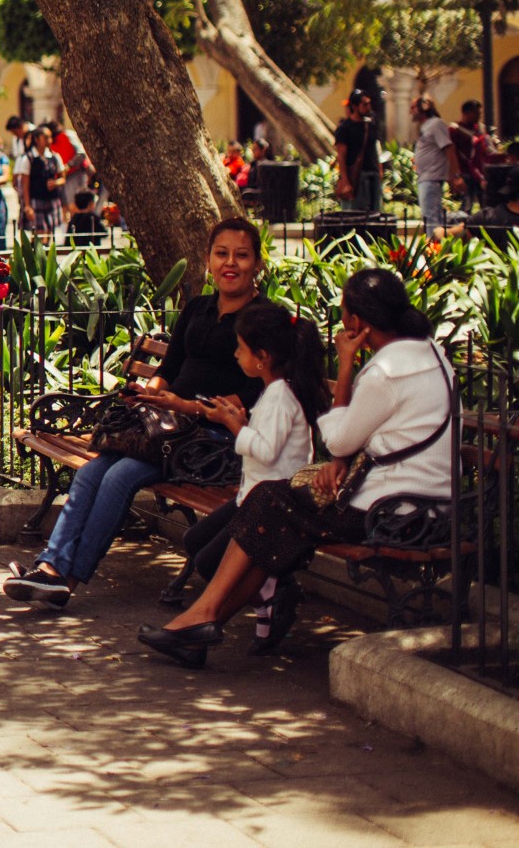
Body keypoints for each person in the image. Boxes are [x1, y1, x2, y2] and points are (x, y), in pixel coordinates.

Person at [140, 269, 454, 667]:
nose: (342, 321)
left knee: (269, 500)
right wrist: (340, 462)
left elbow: (338, 439)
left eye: (344, 313)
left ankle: (201, 618)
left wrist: (344, 366)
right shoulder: (433, 355)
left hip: (392, 513)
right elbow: (381, 435)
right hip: (427, 505)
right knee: (274, 514)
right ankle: (199, 627)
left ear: (357, 322)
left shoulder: (385, 372)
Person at [4, 218, 268, 609]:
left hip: (212, 440)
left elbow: (250, 395)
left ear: (257, 264)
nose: (231, 263)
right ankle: (52, 569)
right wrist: (149, 394)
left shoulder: (263, 318)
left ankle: (68, 581)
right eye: (221, 253)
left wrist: (185, 407)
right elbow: (168, 369)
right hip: (165, 429)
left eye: (241, 255)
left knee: (120, 476)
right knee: (93, 472)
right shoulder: (198, 307)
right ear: (208, 260)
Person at [156, 304, 326, 637]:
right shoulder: (273, 391)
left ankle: (270, 587)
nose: (235, 355)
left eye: (241, 349)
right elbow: (266, 442)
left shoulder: (279, 395)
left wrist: (233, 424)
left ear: (261, 357)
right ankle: (269, 591)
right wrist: (241, 422)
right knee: (195, 540)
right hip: (252, 496)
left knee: (207, 561)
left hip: (271, 504)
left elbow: (264, 449)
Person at [410, 96, 460, 232]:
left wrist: (454, 176)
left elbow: (449, 149)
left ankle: (434, 249)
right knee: (429, 217)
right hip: (426, 178)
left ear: (423, 108)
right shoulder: (426, 126)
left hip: (432, 178)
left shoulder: (436, 124)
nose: (411, 112)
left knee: (431, 219)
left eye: (413, 107)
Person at [333, 89, 383, 212]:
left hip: (373, 175)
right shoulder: (345, 128)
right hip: (357, 177)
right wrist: (345, 180)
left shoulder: (371, 125)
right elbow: (341, 156)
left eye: (369, 103)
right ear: (355, 106)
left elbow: (376, 150)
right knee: (356, 213)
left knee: (374, 213)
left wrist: (379, 171)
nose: (368, 107)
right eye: (364, 104)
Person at [15, 126, 64, 236]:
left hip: (52, 200)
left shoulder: (54, 157)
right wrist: (27, 206)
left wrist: (56, 183)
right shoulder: (28, 158)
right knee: (39, 235)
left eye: (50, 137)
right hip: (36, 200)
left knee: (49, 235)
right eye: (45, 137)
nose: (49, 141)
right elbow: (25, 185)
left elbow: (62, 178)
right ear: (36, 139)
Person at [451, 100, 492, 210]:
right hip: (465, 174)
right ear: (467, 113)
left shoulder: (479, 129)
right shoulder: (454, 130)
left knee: (486, 207)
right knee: (466, 207)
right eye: (477, 113)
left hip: (480, 174)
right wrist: (456, 176)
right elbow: (451, 153)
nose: (479, 116)